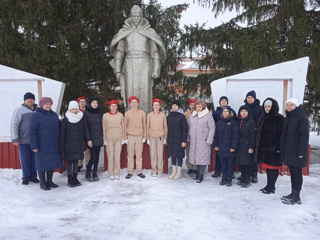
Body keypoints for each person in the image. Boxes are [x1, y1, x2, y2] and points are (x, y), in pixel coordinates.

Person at [109, 5, 166, 113]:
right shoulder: (124, 32)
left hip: (145, 64)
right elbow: (119, 52)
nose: (136, 19)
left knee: (145, 91)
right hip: (129, 63)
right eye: (134, 16)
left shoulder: (149, 32)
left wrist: (156, 69)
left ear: (141, 16)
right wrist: (117, 70)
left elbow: (154, 52)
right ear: (130, 16)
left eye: (138, 16)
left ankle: (146, 116)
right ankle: (131, 118)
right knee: (130, 91)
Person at [29, 97, 63, 190]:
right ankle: (43, 183)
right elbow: (32, 132)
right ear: (41, 105)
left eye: (49, 104)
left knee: (50, 163)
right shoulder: (36, 116)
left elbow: (60, 128)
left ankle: (50, 181)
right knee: (41, 164)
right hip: (41, 144)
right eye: (46, 104)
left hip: (53, 144)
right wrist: (34, 145)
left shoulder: (54, 115)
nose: (48, 106)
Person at [280, 98, 309, 205]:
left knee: (297, 173)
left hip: (297, 152)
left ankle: (297, 197)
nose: (289, 107)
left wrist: (301, 151)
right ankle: (293, 193)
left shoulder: (302, 118)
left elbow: (304, 136)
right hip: (289, 151)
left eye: (291, 105)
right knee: (292, 172)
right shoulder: (288, 118)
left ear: (296, 106)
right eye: (287, 105)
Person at [255, 98, 284, 194]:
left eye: (269, 106)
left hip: (274, 148)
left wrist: (279, 147)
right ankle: (269, 185)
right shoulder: (263, 117)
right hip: (264, 148)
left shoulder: (279, 118)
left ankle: (271, 186)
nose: (267, 109)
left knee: (273, 167)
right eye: (265, 107)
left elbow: (282, 134)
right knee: (268, 167)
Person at [10, 92, 39, 185]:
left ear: (34, 100)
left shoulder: (38, 110)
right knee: (25, 160)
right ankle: (26, 177)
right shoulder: (20, 110)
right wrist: (15, 139)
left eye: (32, 98)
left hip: (35, 140)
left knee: (35, 160)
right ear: (24, 100)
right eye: (28, 99)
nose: (30, 100)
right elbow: (14, 124)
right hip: (23, 140)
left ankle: (34, 176)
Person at [60, 101, 89, 187]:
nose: (74, 110)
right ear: (69, 109)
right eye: (72, 109)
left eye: (76, 109)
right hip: (69, 144)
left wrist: (85, 142)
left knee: (76, 161)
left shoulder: (81, 118)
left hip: (79, 143)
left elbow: (84, 130)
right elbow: (62, 134)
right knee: (70, 162)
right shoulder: (65, 119)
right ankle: (70, 179)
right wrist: (62, 146)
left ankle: (75, 177)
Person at [188, 101, 215, 183]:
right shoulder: (193, 116)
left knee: (202, 158)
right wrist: (188, 137)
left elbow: (212, 128)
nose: (198, 108)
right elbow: (189, 127)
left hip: (203, 141)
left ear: (203, 107)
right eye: (196, 107)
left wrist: (209, 139)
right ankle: (198, 173)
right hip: (194, 141)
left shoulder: (208, 116)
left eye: (199, 106)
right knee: (196, 158)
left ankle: (201, 175)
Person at [212, 96, 237, 178]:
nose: (223, 102)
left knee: (229, 160)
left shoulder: (232, 112)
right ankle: (218, 171)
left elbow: (235, 131)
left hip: (229, 140)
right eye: (222, 100)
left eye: (225, 100)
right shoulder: (216, 112)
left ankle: (229, 175)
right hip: (220, 139)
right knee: (220, 158)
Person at [213, 106, 239, 186]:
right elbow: (216, 135)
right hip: (221, 147)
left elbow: (235, 136)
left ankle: (229, 178)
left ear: (230, 113)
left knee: (230, 164)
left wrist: (233, 147)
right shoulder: (219, 123)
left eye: (227, 111)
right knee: (223, 164)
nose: (225, 113)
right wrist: (216, 145)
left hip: (230, 148)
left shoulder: (233, 123)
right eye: (224, 111)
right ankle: (224, 177)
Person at [124, 96, 147, 179]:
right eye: (132, 102)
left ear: (138, 103)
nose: (134, 103)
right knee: (130, 155)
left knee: (139, 155)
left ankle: (139, 171)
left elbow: (144, 125)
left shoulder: (142, 113)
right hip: (130, 136)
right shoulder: (127, 113)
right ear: (130, 104)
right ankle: (130, 171)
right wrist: (125, 137)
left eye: (135, 102)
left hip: (139, 136)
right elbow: (125, 126)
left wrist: (144, 136)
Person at [102, 100, 124, 180]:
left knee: (117, 156)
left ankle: (117, 172)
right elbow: (104, 127)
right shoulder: (105, 116)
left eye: (115, 106)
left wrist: (123, 137)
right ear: (109, 107)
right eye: (112, 106)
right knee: (110, 156)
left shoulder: (120, 115)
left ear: (117, 107)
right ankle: (110, 172)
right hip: (109, 138)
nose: (113, 107)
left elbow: (123, 126)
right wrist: (104, 138)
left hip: (118, 138)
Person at [167, 100, 188, 180]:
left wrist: (184, 140)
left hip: (179, 140)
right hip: (171, 140)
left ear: (178, 107)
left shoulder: (181, 116)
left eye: (176, 105)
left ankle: (178, 172)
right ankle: (174, 172)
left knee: (179, 156)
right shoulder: (169, 116)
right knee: (173, 155)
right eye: (173, 106)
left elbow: (185, 129)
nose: (174, 107)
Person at [243, 90, 262, 183]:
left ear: (254, 98)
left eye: (251, 97)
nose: (250, 99)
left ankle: (254, 174)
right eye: (248, 97)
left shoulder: (259, 108)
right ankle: (246, 174)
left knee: (254, 155)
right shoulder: (244, 108)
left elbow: (262, 120)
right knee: (246, 156)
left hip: (255, 134)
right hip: (245, 135)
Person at [147, 98, 168, 177]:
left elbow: (165, 126)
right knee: (153, 155)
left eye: (157, 105)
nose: (156, 106)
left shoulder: (162, 115)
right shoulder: (149, 115)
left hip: (160, 137)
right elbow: (147, 126)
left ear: (159, 106)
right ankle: (154, 170)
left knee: (160, 154)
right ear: (152, 106)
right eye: (154, 105)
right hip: (152, 137)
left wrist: (165, 137)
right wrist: (147, 138)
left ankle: (160, 170)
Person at [84, 97, 103, 182]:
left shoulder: (99, 112)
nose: (95, 104)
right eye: (93, 103)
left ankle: (95, 172)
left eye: (96, 103)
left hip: (98, 137)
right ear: (90, 104)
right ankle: (88, 172)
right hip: (91, 139)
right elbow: (86, 127)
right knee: (93, 156)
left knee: (97, 156)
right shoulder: (86, 113)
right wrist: (88, 139)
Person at [236, 105, 256, 188]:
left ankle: (248, 179)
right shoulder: (239, 121)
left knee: (248, 163)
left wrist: (251, 146)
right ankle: (243, 177)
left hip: (247, 145)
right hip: (240, 145)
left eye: (245, 111)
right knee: (242, 163)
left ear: (248, 113)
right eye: (242, 111)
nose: (243, 113)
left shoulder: (251, 122)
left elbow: (253, 135)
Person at [184, 99, 198, 176]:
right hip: (188, 137)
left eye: (194, 104)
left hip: (196, 137)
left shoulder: (199, 114)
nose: (192, 106)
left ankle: (195, 167)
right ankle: (190, 167)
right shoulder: (186, 114)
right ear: (189, 106)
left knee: (196, 153)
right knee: (189, 152)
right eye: (191, 105)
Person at [77, 96, 90, 172]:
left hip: (87, 132)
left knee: (88, 150)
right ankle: (79, 164)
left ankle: (88, 164)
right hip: (79, 133)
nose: (82, 103)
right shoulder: (76, 111)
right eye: (81, 102)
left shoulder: (88, 111)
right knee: (79, 149)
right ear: (78, 103)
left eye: (84, 102)